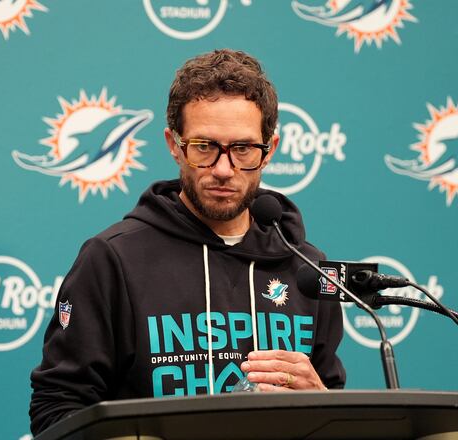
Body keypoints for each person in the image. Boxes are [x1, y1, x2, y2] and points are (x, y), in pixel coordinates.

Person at [29, 49, 346, 435]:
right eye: (204, 147)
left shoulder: (307, 269)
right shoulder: (113, 259)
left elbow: (333, 410)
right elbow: (56, 407)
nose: (224, 169)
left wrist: (322, 400)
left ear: (270, 150)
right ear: (174, 144)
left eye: (243, 149)